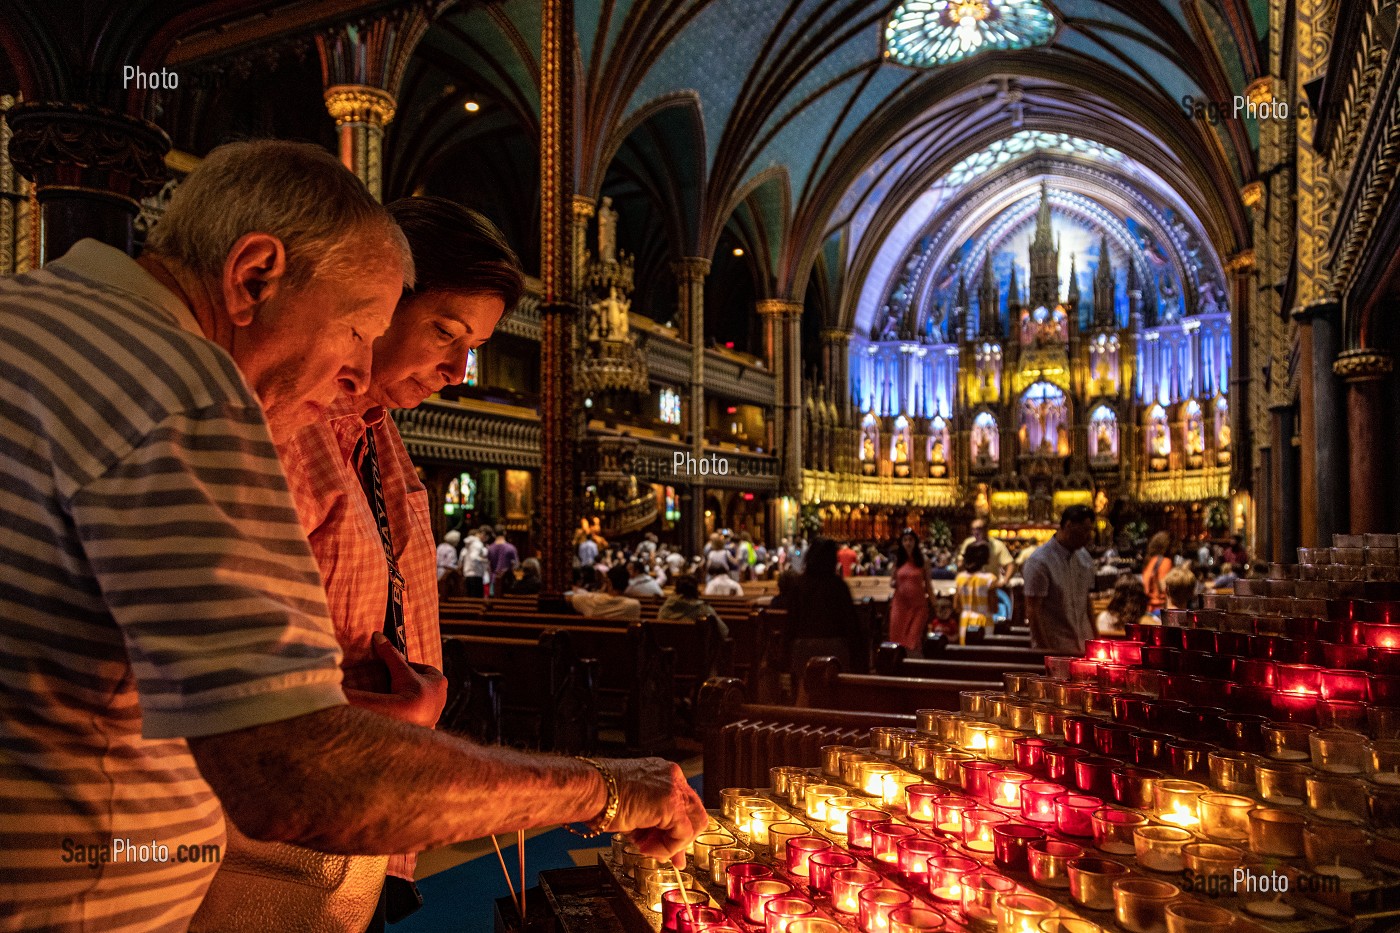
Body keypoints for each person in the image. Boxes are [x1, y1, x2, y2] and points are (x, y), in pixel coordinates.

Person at [0, 141, 704, 933]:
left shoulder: (43, 319)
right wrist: (605, 789)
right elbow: (296, 775)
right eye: (357, 331)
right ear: (254, 276)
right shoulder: (181, 391)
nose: (352, 379)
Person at [197, 195, 522, 931]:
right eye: (445, 332)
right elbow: (214, 665)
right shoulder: (283, 425)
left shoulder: (383, 435)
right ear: (378, 300)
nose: (458, 370)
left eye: (474, 346)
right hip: (278, 846)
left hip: (365, 823)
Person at [1022, 505, 1097, 654]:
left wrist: (1095, 636)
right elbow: (1033, 610)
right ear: (1068, 525)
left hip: (1084, 644)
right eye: (1085, 530)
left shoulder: (1084, 558)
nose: (1089, 536)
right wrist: (1045, 650)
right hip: (1057, 645)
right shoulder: (1040, 561)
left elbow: (1086, 601)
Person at [788, 537, 865, 678]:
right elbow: (850, 621)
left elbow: (792, 620)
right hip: (834, 648)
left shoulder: (799, 585)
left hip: (804, 647)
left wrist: (786, 652)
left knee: (805, 692)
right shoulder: (838, 586)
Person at [888, 530, 936, 654]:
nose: (908, 543)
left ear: (915, 542)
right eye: (905, 540)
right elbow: (892, 582)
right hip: (900, 605)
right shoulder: (899, 561)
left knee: (914, 638)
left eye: (911, 540)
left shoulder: (922, 561)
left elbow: (928, 585)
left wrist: (934, 603)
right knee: (897, 638)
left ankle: (914, 665)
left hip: (918, 605)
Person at [954, 542, 998, 644]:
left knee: (967, 655)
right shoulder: (990, 579)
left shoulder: (960, 578)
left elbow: (956, 606)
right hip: (984, 621)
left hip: (965, 620)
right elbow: (993, 607)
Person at [570, 564, 644, 620]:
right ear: (626, 584)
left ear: (609, 582)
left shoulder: (590, 600)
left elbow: (567, 598)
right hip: (622, 640)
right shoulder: (634, 605)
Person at [955, 519, 1015, 585]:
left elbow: (1010, 564)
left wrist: (1005, 581)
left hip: (991, 584)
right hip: (971, 583)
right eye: (973, 529)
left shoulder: (997, 545)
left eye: (979, 529)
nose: (976, 532)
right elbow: (960, 562)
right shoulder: (968, 543)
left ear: (986, 529)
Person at [1142, 531, 1172, 613]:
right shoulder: (1165, 562)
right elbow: (1164, 587)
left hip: (1149, 608)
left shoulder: (1149, 561)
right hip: (1160, 608)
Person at [488, 529, 520, 596]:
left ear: (493, 534)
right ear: (505, 533)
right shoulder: (511, 548)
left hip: (493, 580)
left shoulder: (490, 548)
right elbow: (516, 565)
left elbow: (488, 565)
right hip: (507, 581)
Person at [461, 526, 490, 598]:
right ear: (483, 534)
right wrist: (485, 561)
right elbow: (474, 558)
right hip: (475, 574)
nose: (487, 539)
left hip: (469, 573)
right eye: (487, 536)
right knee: (476, 600)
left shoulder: (471, 543)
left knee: (471, 599)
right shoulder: (477, 544)